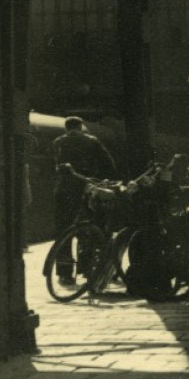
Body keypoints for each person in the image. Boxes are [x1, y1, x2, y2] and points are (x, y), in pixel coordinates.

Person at [52, 116, 117, 281]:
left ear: (67, 128)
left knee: (63, 230)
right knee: (87, 227)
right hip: (85, 190)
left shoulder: (57, 142)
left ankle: (65, 273)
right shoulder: (92, 141)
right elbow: (108, 164)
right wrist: (108, 180)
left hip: (62, 191)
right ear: (80, 127)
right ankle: (86, 268)